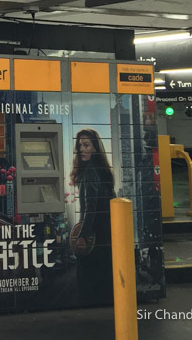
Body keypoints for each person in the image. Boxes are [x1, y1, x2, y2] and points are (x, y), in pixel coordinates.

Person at [70, 128, 116, 301]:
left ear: (95, 148)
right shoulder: (102, 170)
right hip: (105, 234)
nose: (81, 149)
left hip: (94, 237)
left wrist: (82, 235)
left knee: (88, 281)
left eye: (86, 145)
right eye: (80, 145)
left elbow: (91, 207)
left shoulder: (89, 172)